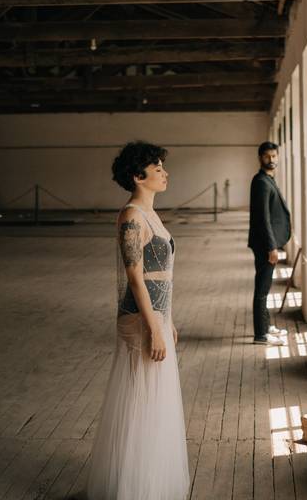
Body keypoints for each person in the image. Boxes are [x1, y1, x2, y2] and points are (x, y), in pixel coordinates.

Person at [86, 141, 189, 500]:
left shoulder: (151, 213)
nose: (164, 173)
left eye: (163, 166)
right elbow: (136, 276)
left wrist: (168, 319)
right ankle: (133, 485)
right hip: (139, 319)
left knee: (153, 399)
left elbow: (165, 275)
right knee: (139, 398)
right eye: (156, 168)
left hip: (156, 315)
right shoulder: (132, 216)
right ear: (137, 176)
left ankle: (149, 477)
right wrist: (153, 326)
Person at [248, 141, 291, 346]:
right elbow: (263, 218)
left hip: (266, 242)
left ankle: (265, 327)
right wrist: (272, 247)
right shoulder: (261, 182)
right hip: (265, 245)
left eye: (274, 156)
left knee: (264, 287)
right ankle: (261, 335)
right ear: (260, 158)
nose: (271, 159)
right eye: (267, 156)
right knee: (262, 289)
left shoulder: (267, 179)